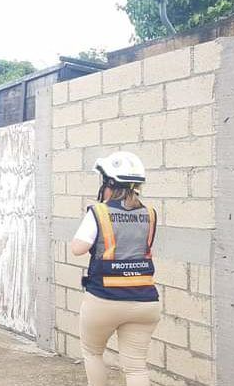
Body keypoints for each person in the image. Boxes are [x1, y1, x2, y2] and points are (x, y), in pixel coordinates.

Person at [71, 152, 161, 386]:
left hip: (104, 298)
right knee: (136, 366)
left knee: (93, 353)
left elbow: (77, 249)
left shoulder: (99, 212)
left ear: (109, 183)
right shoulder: (150, 213)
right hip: (145, 300)